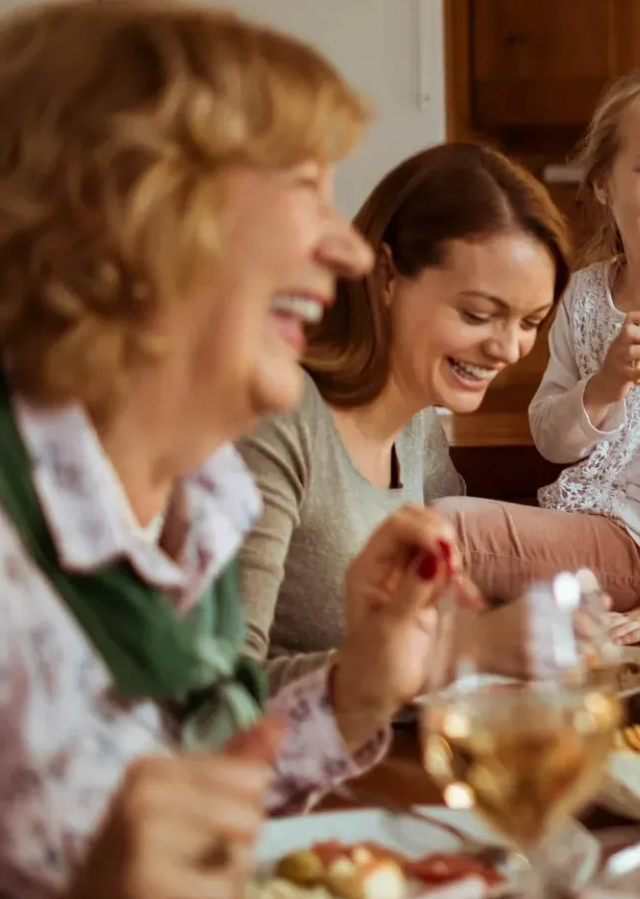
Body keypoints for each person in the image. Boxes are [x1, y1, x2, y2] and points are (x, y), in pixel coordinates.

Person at [0, 0, 464, 897]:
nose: (345, 251)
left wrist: (355, 694)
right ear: (136, 209)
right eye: (306, 188)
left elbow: (193, 791)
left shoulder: (203, 492)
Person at [441, 65, 640, 641]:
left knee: (448, 531)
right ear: (603, 183)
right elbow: (551, 438)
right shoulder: (583, 294)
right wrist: (604, 387)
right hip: (586, 532)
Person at [237, 142, 572, 687]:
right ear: (387, 276)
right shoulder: (282, 418)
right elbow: (220, 699)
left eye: (531, 321)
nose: (509, 349)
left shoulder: (417, 423)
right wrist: (451, 652)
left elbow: (445, 611)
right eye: (479, 314)